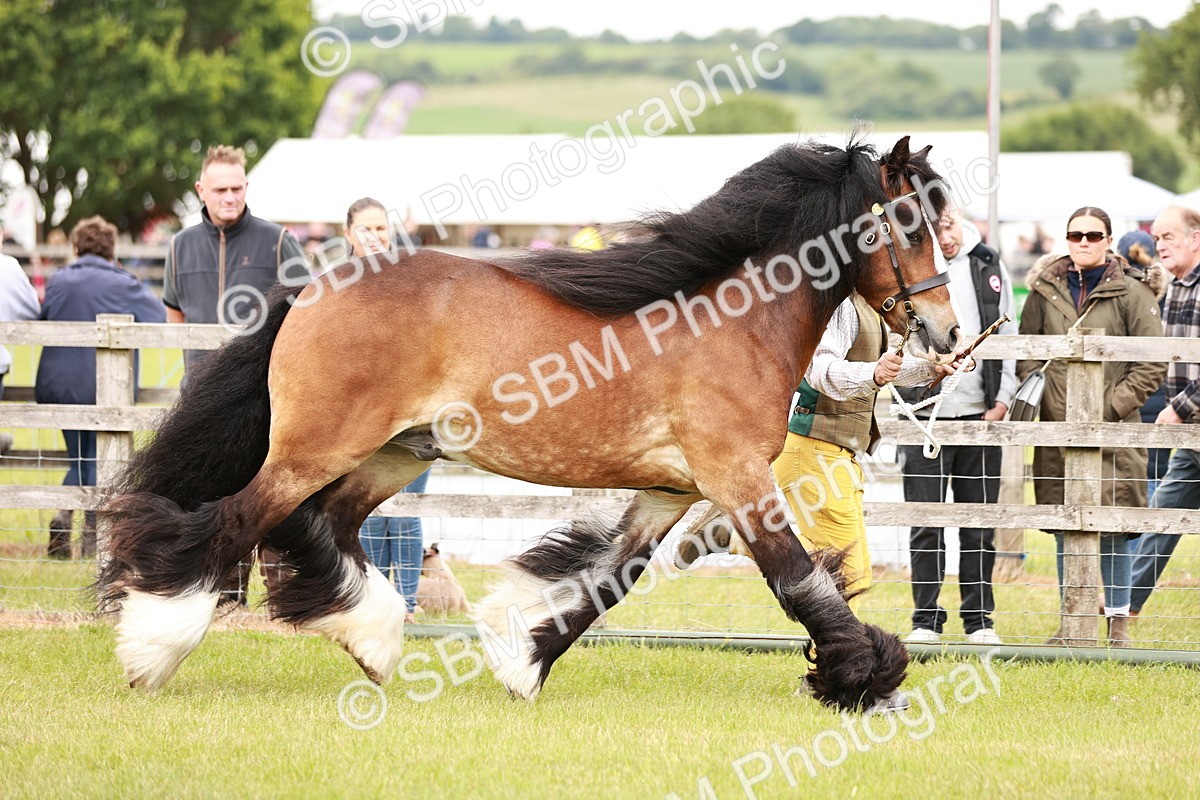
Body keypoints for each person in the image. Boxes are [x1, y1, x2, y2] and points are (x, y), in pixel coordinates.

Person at [678, 292, 954, 618]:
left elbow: (883, 371)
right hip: (815, 448)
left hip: (837, 451)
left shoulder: (867, 308)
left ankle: (743, 539)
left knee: (849, 573)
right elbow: (820, 369)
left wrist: (933, 369)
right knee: (845, 578)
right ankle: (841, 657)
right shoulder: (841, 306)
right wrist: (873, 373)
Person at [162, 144, 305, 605]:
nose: (230, 196)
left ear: (247, 187)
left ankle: (283, 600)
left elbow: (309, 311)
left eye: (237, 188)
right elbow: (174, 315)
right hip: (201, 403)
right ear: (201, 190)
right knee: (209, 500)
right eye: (220, 189)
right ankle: (222, 596)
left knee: (274, 496)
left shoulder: (278, 240)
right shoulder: (179, 247)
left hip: (264, 398)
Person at [1018, 206, 1166, 647]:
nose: (1084, 242)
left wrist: (1109, 408)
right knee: (1068, 524)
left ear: (1107, 239)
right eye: (1075, 235)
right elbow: (1028, 352)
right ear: (1066, 239)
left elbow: (1152, 361)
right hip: (1057, 429)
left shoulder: (1132, 293)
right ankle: (1072, 621)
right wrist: (1048, 403)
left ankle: (1117, 621)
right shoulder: (1042, 291)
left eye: (1093, 235)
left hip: (1115, 430)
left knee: (1115, 525)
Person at [898, 207, 1017, 646]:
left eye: (946, 226)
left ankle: (979, 620)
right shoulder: (912, 265)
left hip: (977, 413)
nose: (943, 237)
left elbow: (1008, 334)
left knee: (978, 522)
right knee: (925, 521)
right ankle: (926, 619)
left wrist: (1002, 397)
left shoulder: (988, 263)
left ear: (959, 222)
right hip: (923, 414)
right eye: (934, 229)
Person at [35, 216, 166, 558]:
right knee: (95, 460)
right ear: (112, 251)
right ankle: (92, 532)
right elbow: (159, 318)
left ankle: (66, 515)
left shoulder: (60, 279)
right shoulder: (123, 282)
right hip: (103, 386)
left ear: (76, 248)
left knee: (79, 457)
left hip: (58, 385)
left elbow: (44, 315)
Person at [345, 197, 429, 624]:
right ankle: (378, 602)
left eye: (382, 229)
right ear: (348, 234)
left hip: (415, 411)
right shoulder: (337, 290)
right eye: (367, 229)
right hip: (361, 417)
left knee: (409, 510)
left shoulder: (412, 282)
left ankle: (408, 603)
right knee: (369, 511)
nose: (376, 237)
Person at [1129, 205, 1200, 616]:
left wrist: (1178, 407)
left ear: (1194, 238)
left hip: (1187, 417)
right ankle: (1125, 607)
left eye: (1167, 237)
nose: (1159, 246)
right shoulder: (1175, 288)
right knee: (1161, 519)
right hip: (1193, 436)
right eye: (1156, 238)